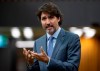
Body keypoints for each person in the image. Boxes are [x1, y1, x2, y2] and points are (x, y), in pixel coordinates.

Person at [23, 2, 81, 71]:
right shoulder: (37, 42)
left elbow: (73, 68)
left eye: (51, 17)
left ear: (58, 18)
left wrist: (49, 61)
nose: (47, 22)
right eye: (44, 18)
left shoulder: (72, 38)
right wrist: (31, 63)